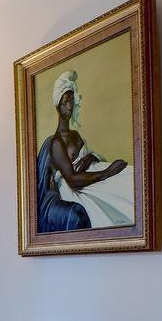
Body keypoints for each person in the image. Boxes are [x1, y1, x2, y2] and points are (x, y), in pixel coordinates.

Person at [35, 71, 132, 232]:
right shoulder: (56, 143)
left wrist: (90, 158)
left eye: (72, 100)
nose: (70, 106)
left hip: (89, 178)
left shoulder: (75, 135)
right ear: (58, 104)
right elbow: (72, 179)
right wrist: (109, 171)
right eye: (66, 101)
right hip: (76, 189)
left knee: (127, 178)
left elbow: (85, 157)